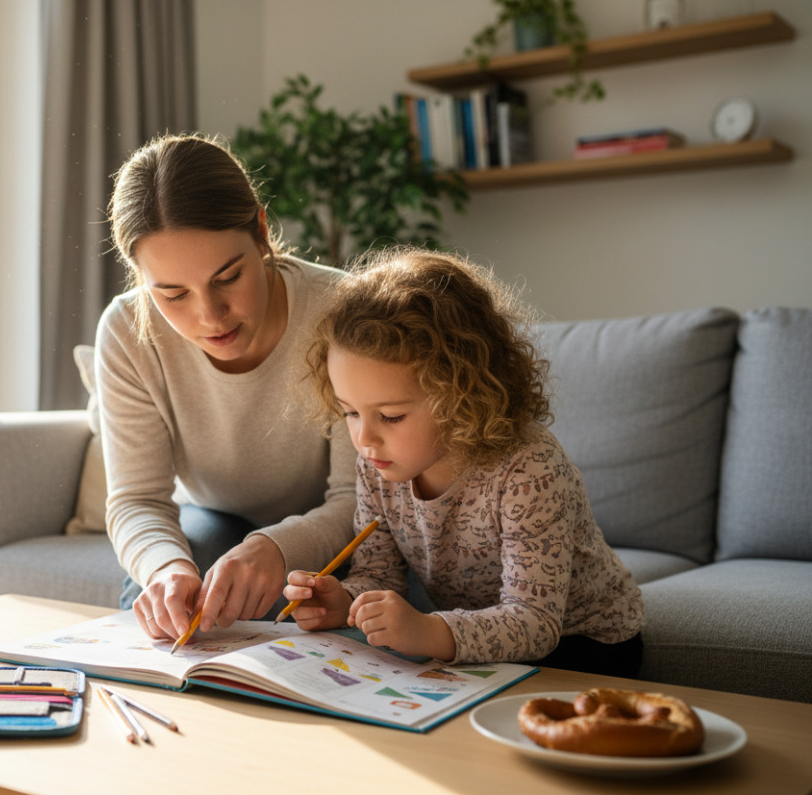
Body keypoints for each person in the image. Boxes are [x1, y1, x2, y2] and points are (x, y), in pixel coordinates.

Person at [285, 247, 645, 677]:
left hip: (585, 644)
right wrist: (345, 601)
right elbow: (378, 576)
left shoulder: (529, 469)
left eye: (392, 416)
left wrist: (427, 631)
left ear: (462, 394)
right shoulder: (377, 465)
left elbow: (536, 623)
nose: (364, 439)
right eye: (350, 412)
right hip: (481, 641)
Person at [98, 133, 357, 642]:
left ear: (260, 230)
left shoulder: (342, 310)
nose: (210, 315)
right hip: (211, 516)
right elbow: (136, 500)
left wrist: (278, 547)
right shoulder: (127, 331)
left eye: (228, 277)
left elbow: (359, 499)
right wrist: (164, 570)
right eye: (173, 294)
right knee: (174, 592)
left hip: (328, 525)